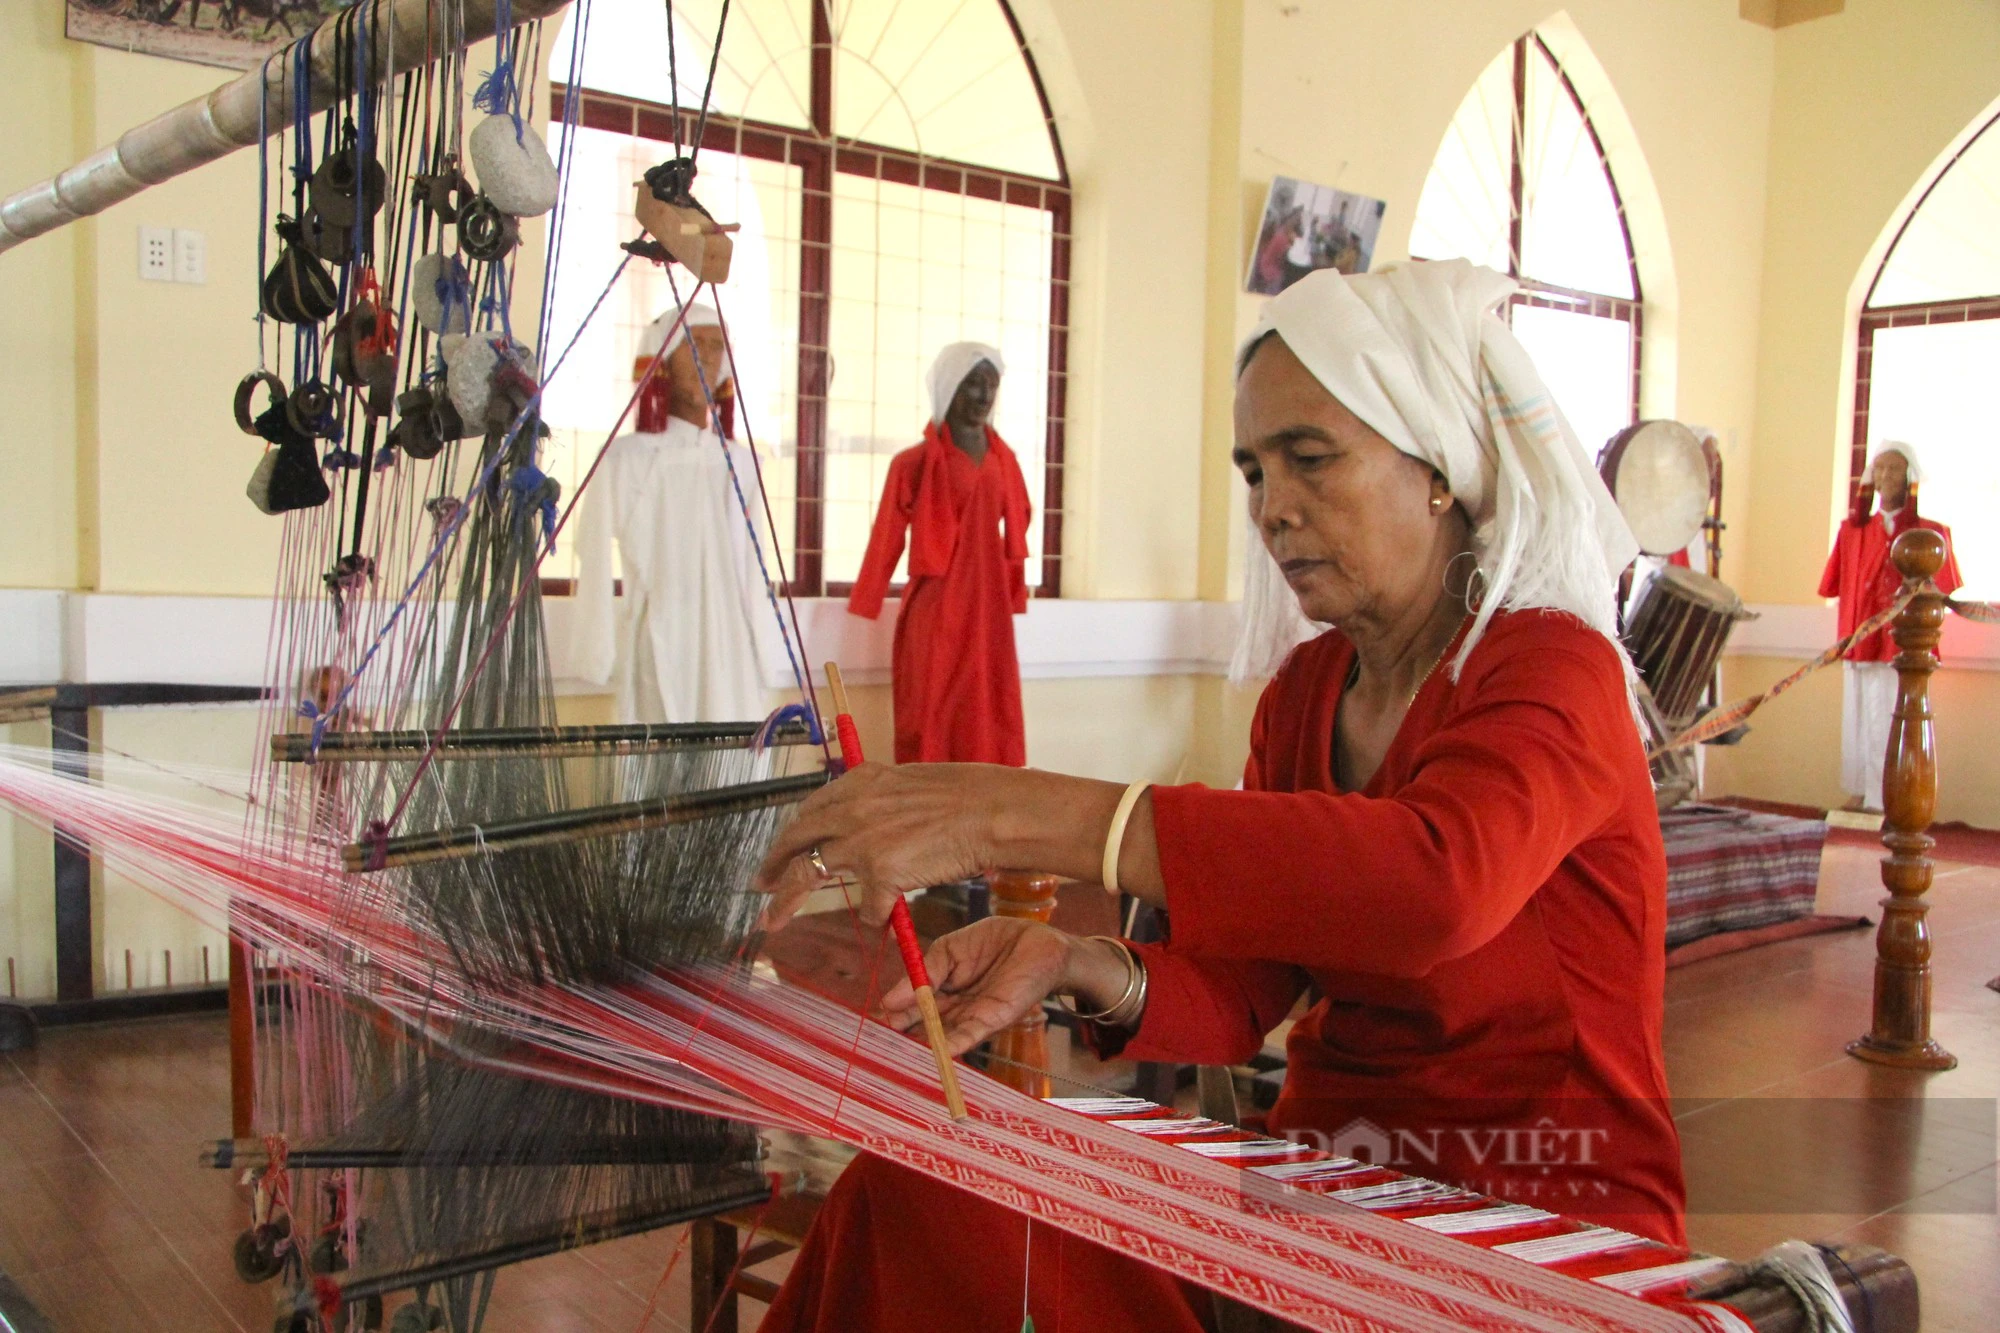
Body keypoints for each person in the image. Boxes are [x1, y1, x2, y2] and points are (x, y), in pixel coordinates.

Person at [752, 260, 1687, 1333]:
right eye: (1252, 470)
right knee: (918, 1189)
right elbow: (1246, 988)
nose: (1271, 508)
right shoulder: (1304, 697)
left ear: (1438, 469)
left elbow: (1434, 883)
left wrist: (1004, 812)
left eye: (1308, 459)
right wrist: (1072, 961)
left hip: (1538, 1215)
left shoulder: (1547, 667)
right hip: (1325, 1190)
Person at [572, 301, 777, 723]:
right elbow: (592, 552)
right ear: (662, 359)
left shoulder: (738, 464)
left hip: (729, 647)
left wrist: (764, 649)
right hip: (659, 636)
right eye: (694, 344)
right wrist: (597, 650)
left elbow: (755, 572)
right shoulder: (626, 458)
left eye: (717, 346)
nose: (708, 356)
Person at [847, 343, 1033, 765]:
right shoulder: (912, 463)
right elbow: (886, 538)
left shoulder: (1006, 462)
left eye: (992, 384)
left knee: (987, 707)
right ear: (950, 387)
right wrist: (868, 597)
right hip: (938, 607)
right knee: (933, 705)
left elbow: (1016, 538)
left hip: (989, 611)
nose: (984, 396)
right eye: (973, 384)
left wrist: (1014, 595)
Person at [1818, 440, 1962, 812]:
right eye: (1879, 469)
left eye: (1894, 469)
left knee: (1892, 718)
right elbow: (1833, 583)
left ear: (1908, 476)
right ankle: (1862, 791)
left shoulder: (1930, 533)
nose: (1885, 476)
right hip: (1859, 639)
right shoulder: (1851, 531)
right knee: (1858, 720)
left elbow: (1943, 589)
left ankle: (1887, 798)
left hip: (1902, 646)